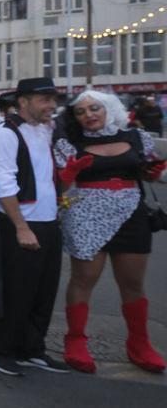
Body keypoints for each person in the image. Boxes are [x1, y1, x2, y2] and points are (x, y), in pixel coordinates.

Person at [54, 89, 166, 374]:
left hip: (132, 214)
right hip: (86, 214)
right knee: (83, 279)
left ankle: (139, 344)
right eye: (80, 112)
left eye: (94, 109)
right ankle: (75, 340)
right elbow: (58, 189)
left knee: (132, 282)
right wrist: (65, 176)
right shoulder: (69, 143)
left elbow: (148, 170)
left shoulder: (137, 137)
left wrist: (153, 172)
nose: (88, 115)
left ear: (108, 108)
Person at [0, 77, 71, 376]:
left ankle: (32, 348)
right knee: (14, 291)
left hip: (47, 221)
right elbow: (3, 183)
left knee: (43, 291)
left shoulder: (46, 130)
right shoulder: (5, 134)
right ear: (24, 101)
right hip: (20, 223)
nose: (51, 105)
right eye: (45, 100)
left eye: (53, 99)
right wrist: (21, 227)